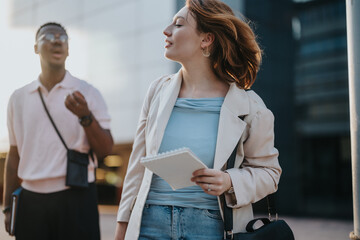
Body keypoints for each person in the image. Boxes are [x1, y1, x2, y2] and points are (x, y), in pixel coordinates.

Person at [115, 0, 281, 239]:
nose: (166, 31)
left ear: (206, 39)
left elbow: (269, 172)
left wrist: (229, 181)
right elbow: (136, 169)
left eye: (178, 24)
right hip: (149, 223)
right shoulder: (157, 92)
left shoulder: (250, 106)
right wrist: (121, 229)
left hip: (212, 226)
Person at [2, 22, 114, 240]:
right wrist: (8, 207)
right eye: (49, 36)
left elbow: (105, 149)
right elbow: (14, 154)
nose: (57, 40)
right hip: (31, 201)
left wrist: (85, 116)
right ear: (36, 47)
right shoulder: (18, 97)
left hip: (77, 197)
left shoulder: (87, 92)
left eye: (63, 38)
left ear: (68, 50)